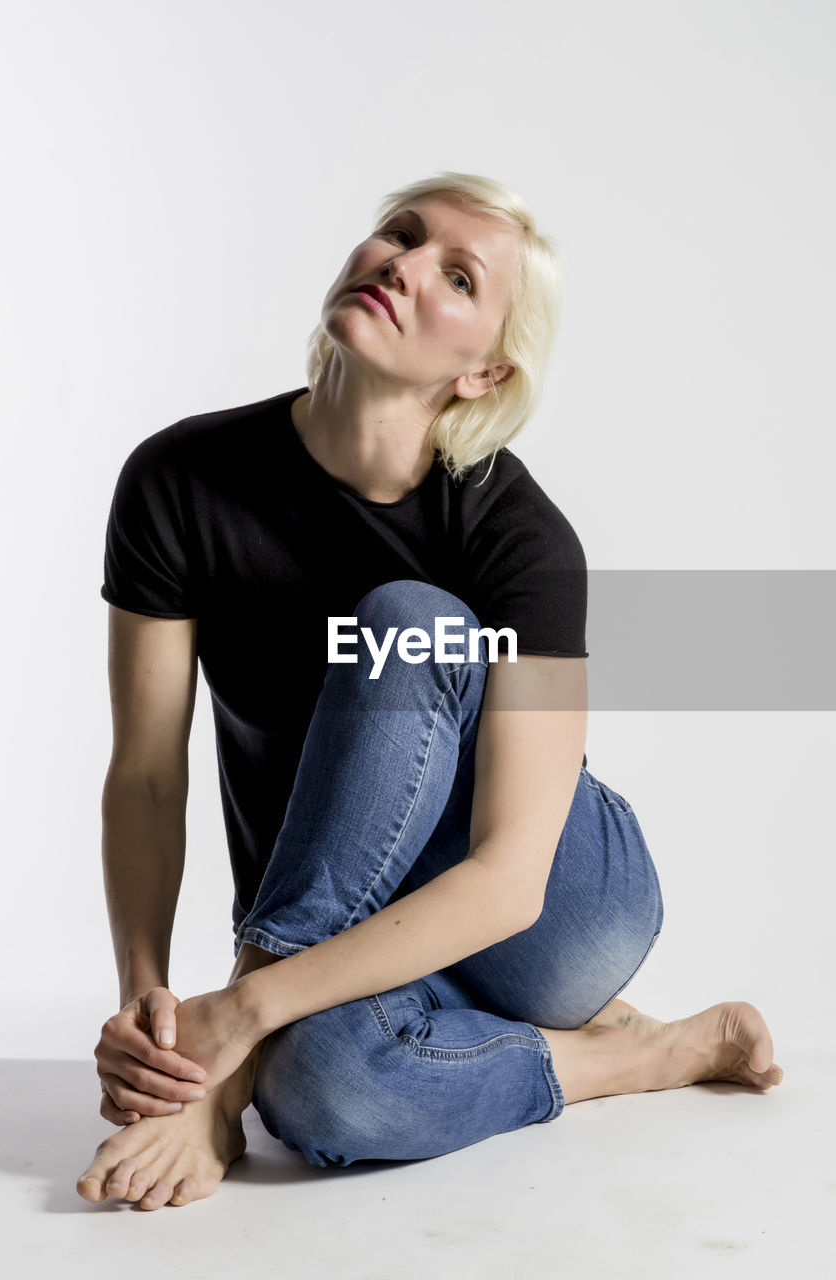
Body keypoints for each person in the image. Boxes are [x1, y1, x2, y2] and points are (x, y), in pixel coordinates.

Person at [76, 172, 783, 1211]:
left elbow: (508, 877)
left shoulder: (514, 536)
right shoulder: (180, 482)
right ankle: (638, 1054)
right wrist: (156, 1017)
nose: (400, 265)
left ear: (485, 369)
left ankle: (584, 1029)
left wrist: (233, 1016)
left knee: (406, 620)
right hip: (340, 923)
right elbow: (142, 775)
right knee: (318, 1087)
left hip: (551, 917)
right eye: (396, 236)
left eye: (454, 274)